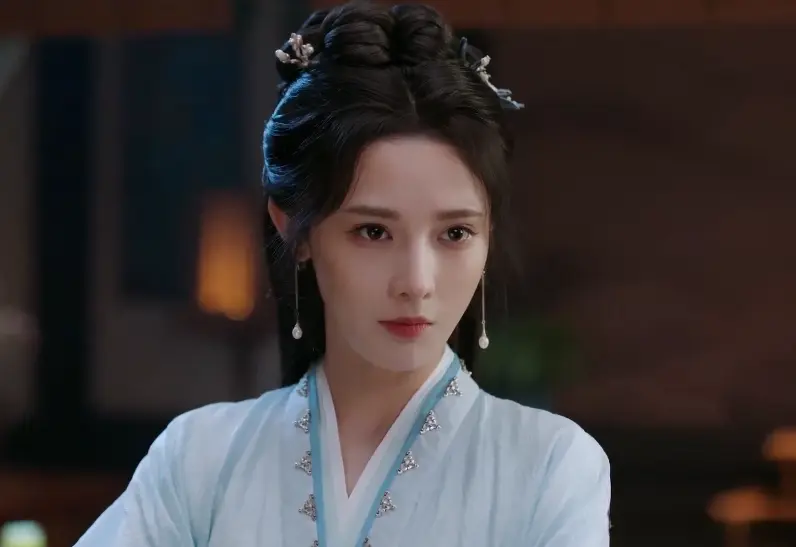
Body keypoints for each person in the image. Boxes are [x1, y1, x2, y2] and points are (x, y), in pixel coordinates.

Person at [74, 2, 610, 546]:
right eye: (373, 232)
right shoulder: (200, 459)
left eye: (455, 233)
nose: (416, 281)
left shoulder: (550, 466)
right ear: (295, 229)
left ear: (488, 233)